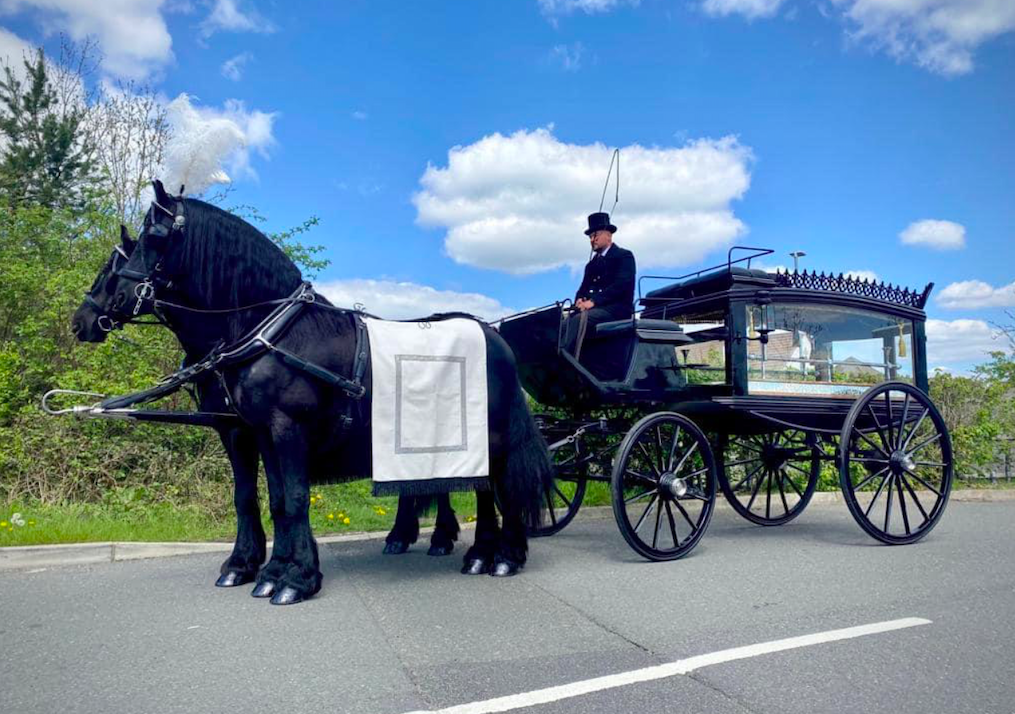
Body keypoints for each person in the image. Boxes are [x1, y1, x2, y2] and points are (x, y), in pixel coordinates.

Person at [566, 212, 636, 358]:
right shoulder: (591, 265)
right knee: (563, 322)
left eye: (595, 235)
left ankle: (566, 360)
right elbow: (582, 289)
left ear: (609, 235)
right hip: (594, 310)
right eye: (590, 237)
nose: (592, 239)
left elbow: (621, 285)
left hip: (616, 310)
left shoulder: (624, 256)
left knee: (579, 320)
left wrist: (593, 301)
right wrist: (579, 299)